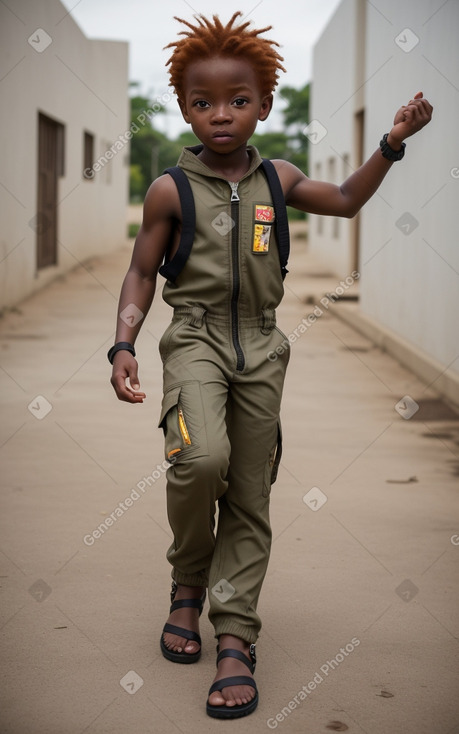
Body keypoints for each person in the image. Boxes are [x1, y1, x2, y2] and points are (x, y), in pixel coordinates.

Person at [109, 11, 432, 719]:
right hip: (193, 338)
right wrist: (124, 343)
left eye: (237, 100)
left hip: (261, 346)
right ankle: (188, 582)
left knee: (250, 491)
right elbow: (139, 273)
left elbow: (346, 201)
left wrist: (390, 143)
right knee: (199, 462)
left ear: (264, 104)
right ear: (183, 106)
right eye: (202, 103)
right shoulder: (170, 189)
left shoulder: (279, 179)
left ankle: (234, 634)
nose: (220, 115)